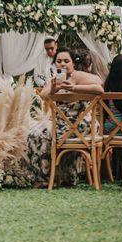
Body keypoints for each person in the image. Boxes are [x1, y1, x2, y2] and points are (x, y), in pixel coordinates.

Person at [26, 48, 103, 185]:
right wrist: (53, 89)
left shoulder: (77, 75)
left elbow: (99, 89)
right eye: (59, 61)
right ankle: (50, 176)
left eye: (66, 61)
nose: (62, 64)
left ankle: (48, 178)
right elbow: (43, 96)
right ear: (54, 64)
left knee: (42, 133)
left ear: (73, 63)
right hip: (62, 122)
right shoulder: (55, 79)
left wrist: (73, 88)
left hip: (81, 122)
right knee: (33, 132)